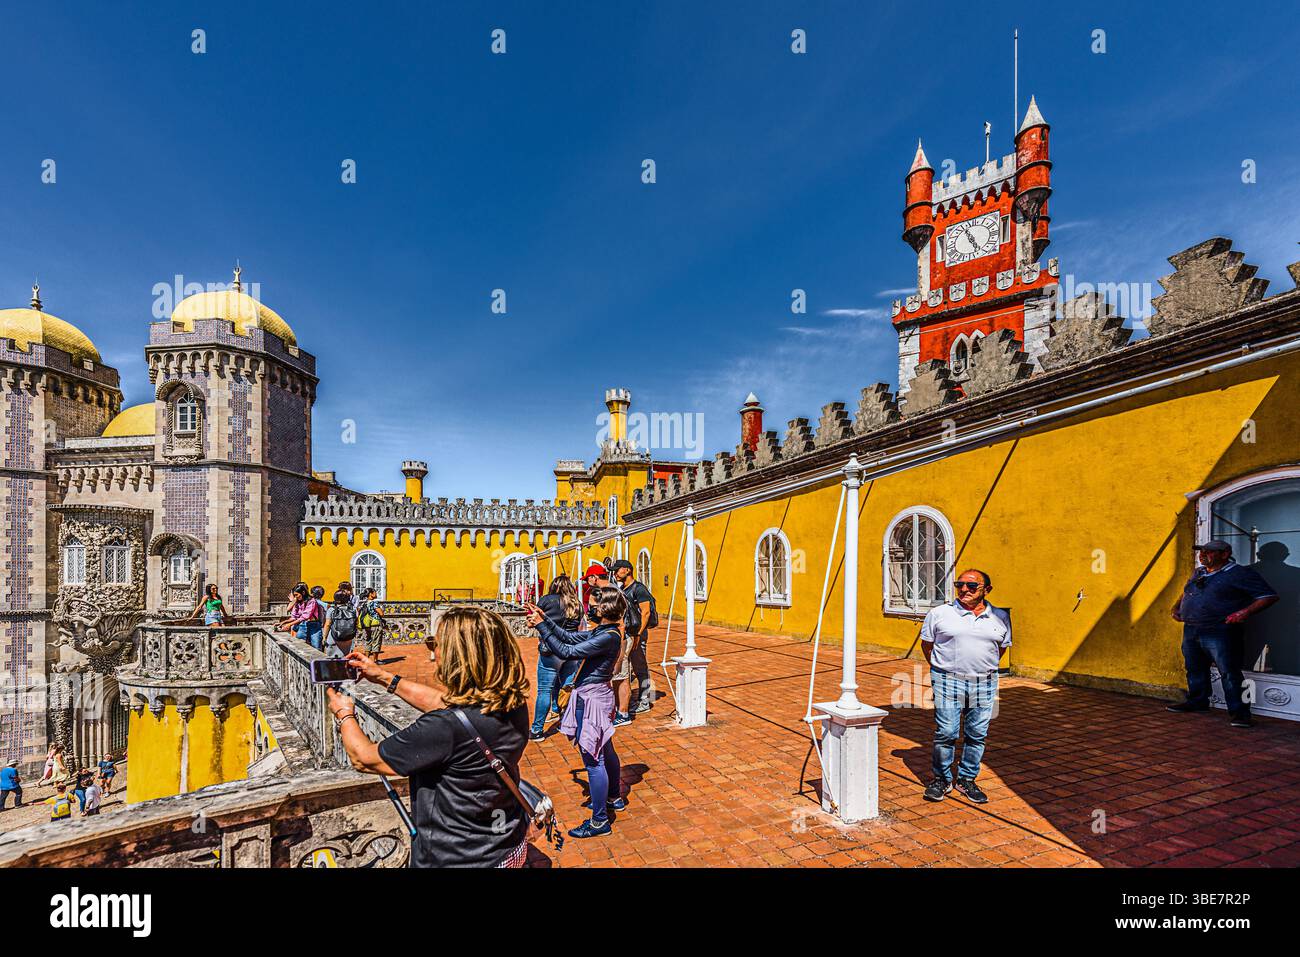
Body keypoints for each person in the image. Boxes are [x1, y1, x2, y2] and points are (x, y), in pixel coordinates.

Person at [326, 606, 532, 868]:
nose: (431, 652)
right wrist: (384, 677)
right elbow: (444, 702)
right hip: (506, 846)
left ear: (459, 656)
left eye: (435, 643)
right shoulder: (512, 703)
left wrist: (345, 714)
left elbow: (364, 758)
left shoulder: (444, 728)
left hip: (457, 858)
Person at [525, 586, 627, 839]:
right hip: (594, 695)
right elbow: (569, 638)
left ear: (604, 608)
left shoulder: (609, 636)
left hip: (592, 698)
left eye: (593, 604)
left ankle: (599, 821)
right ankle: (613, 797)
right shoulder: (605, 631)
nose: (589, 607)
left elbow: (566, 651)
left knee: (593, 759)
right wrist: (545, 619)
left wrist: (540, 627)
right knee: (606, 749)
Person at [920, 568, 1011, 805]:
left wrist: (980, 667)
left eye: (972, 586)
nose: (964, 590)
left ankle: (966, 779)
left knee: (977, 734)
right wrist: (943, 669)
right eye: (960, 584)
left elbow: (1000, 649)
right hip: (948, 679)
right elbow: (927, 645)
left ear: (986, 590)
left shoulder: (1000, 617)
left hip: (985, 681)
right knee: (947, 732)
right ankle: (941, 779)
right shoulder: (940, 613)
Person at [1169, 540, 1279, 728]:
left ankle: (1241, 713)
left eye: (1209, 552)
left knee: (1230, 672)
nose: (1202, 555)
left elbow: (1268, 596)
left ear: (1225, 554)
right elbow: (1187, 591)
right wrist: (1177, 606)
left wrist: (1244, 612)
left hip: (1221, 630)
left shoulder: (1239, 573)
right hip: (1192, 628)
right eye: (1201, 552)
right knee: (1194, 668)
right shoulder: (1199, 572)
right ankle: (1198, 701)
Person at [530, 575, 582, 741]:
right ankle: (565, 721)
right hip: (571, 650)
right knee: (567, 688)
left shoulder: (546, 601)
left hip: (551, 650)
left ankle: (537, 730)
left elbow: (532, 621)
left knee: (544, 690)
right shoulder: (577, 603)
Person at [611, 558, 658, 719]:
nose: (615, 573)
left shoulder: (639, 589)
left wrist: (639, 633)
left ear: (628, 570)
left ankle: (646, 700)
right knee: (629, 666)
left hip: (638, 633)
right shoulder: (624, 588)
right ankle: (634, 698)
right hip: (630, 633)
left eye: (617, 570)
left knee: (640, 666)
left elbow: (646, 612)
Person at [283, 584, 324, 649]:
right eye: (294, 595)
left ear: (303, 592)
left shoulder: (311, 601)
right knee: (299, 646)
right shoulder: (298, 602)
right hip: (303, 625)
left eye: (297, 595)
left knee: (316, 647)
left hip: (314, 626)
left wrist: (290, 624)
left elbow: (305, 617)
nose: (296, 597)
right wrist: (284, 622)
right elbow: (294, 616)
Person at [322, 589, 359, 658]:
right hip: (348, 638)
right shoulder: (353, 609)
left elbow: (327, 624)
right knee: (345, 658)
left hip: (334, 637)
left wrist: (324, 637)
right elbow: (356, 623)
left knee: (332, 659)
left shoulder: (332, 609)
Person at [358, 587, 386, 657]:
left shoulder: (364, 603)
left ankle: (367, 658)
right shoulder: (374, 603)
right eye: (375, 592)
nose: (376, 593)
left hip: (366, 625)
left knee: (368, 641)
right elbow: (381, 614)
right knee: (376, 641)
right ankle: (375, 660)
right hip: (375, 624)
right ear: (371, 594)